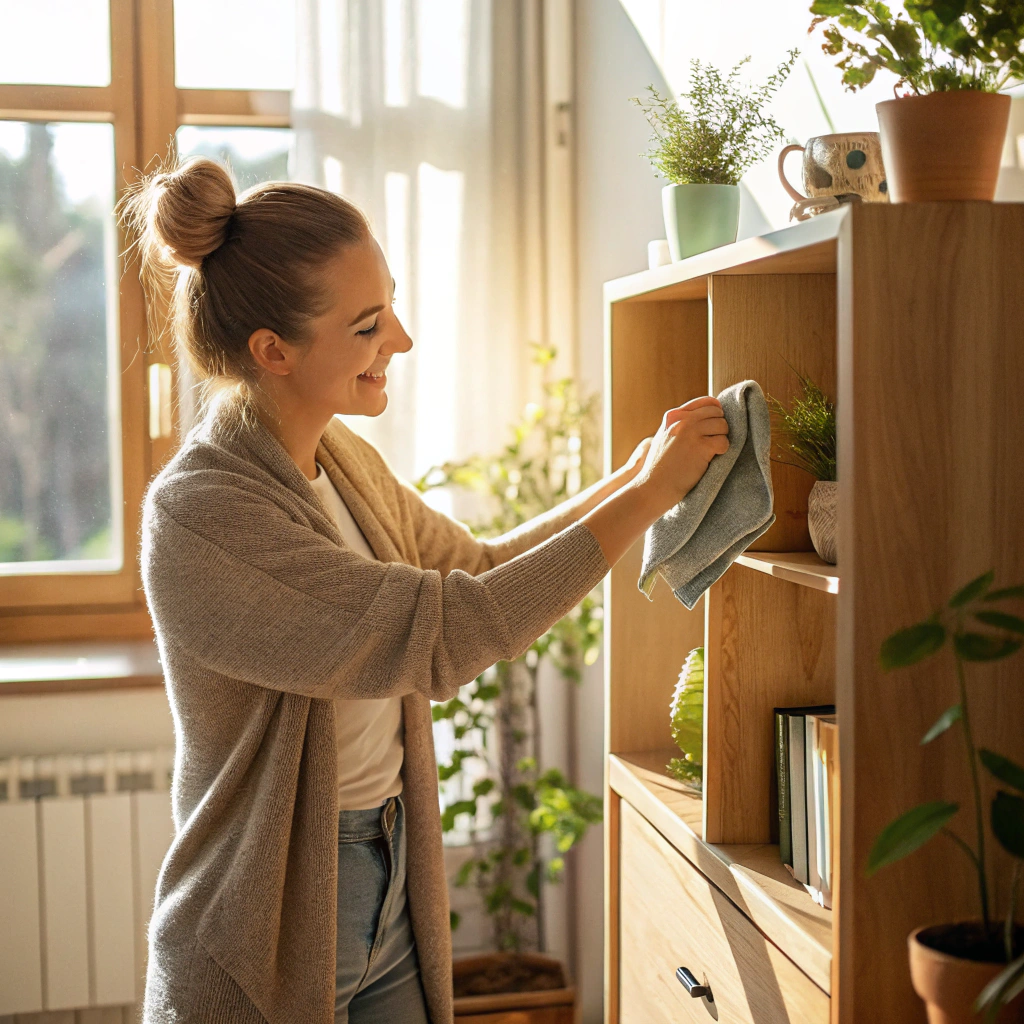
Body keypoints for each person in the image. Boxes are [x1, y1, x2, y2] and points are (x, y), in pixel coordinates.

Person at [125, 157, 729, 1024]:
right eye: (368, 326)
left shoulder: (343, 460)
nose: (400, 341)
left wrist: (631, 475)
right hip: (275, 912)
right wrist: (645, 498)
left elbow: (474, 572)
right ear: (274, 351)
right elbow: (442, 633)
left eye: (391, 307)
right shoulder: (202, 514)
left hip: (392, 864)